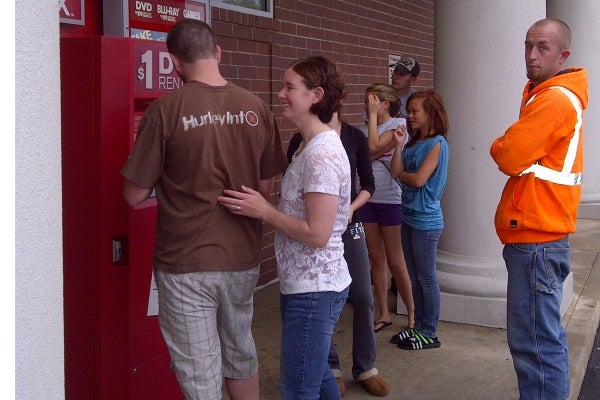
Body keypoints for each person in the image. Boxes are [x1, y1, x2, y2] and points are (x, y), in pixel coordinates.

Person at [120, 19, 288, 400]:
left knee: (200, 373)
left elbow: (133, 194)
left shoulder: (165, 111)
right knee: (240, 355)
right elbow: (264, 188)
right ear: (218, 53)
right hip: (242, 259)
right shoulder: (255, 108)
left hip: (186, 262)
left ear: (174, 63)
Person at [218, 55, 352, 399]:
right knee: (318, 376)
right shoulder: (308, 146)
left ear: (316, 95)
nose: (280, 94)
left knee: (298, 388)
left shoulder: (321, 155)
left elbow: (317, 233)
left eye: (290, 87)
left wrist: (264, 210)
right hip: (306, 286)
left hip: (315, 290)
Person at [490, 18, 588, 399]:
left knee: (535, 347)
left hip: (537, 242)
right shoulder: (546, 93)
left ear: (563, 55)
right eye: (528, 45)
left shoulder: (552, 99)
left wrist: (500, 143)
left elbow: (509, 154)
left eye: (543, 47)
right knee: (543, 341)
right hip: (542, 238)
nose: (532, 54)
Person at [287, 110, 390, 397]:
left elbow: (368, 184)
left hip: (349, 224)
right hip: (317, 229)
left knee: (363, 297)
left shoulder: (354, 136)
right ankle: (330, 367)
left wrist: (350, 209)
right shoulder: (300, 140)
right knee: (321, 299)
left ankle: (366, 366)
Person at [389, 89, 449, 351]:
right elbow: (395, 171)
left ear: (431, 114)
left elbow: (418, 179)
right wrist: (398, 145)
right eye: (409, 111)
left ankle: (429, 331)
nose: (409, 116)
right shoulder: (413, 143)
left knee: (426, 278)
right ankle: (419, 327)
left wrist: (403, 173)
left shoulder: (437, 144)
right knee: (414, 277)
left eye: (415, 111)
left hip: (426, 220)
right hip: (409, 216)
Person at [362, 83, 415, 334]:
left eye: (371, 101)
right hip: (369, 198)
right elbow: (365, 155)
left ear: (384, 103)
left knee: (396, 260)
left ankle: (413, 311)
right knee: (376, 258)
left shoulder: (397, 124)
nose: (366, 105)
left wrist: (373, 119)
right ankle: (383, 312)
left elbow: (371, 149)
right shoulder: (369, 129)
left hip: (390, 199)